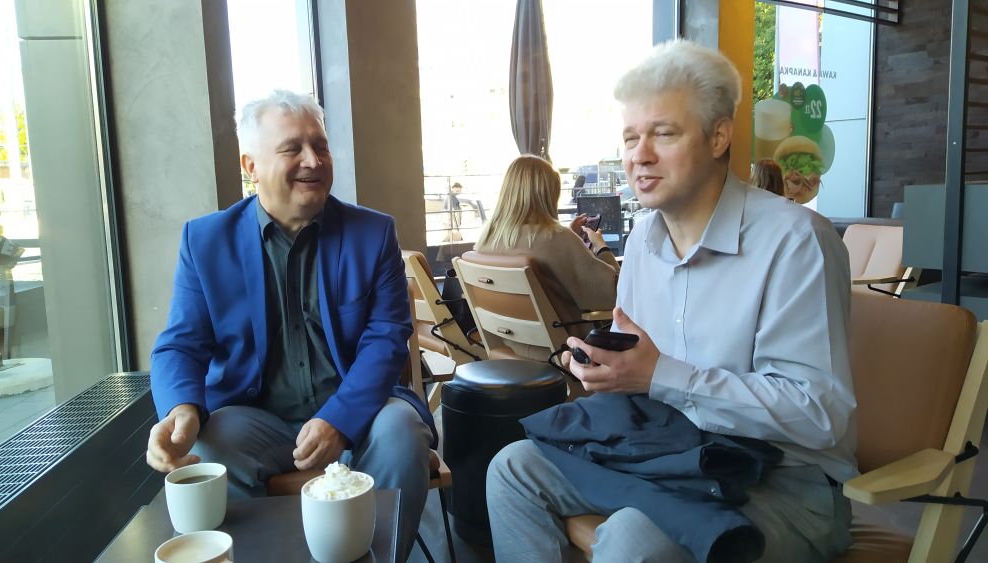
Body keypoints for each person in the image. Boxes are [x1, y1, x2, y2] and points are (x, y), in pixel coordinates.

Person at [486, 40, 855, 562]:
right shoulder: (643, 239)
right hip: (665, 452)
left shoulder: (796, 242)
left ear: (719, 136)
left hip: (780, 479)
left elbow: (818, 414)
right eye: (630, 137)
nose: (639, 154)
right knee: (512, 469)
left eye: (663, 133)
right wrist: (607, 370)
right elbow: (637, 367)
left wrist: (659, 376)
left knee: (633, 538)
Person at [145, 90, 434, 561]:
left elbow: (387, 338)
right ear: (251, 166)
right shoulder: (206, 240)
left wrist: (338, 420)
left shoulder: (372, 232)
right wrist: (181, 410)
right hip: (257, 419)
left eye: (320, 146)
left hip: (358, 411)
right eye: (292, 148)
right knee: (212, 444)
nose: (313, 161)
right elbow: (181, 344)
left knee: (401, 432)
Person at [475, 154, 619, 361]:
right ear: (548, 195)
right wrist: (601, 247)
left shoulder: (487, 239)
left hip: (510, 349)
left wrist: (571, 239)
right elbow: (615, 295)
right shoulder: (557, 239)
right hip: (564, 353)